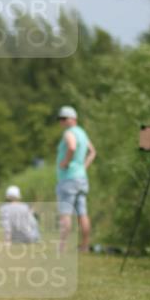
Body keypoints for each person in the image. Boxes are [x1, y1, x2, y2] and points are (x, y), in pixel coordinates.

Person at [56, 105, 96, 252]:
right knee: (82, 213)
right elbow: (92, 152)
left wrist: (66, 162)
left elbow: (72, 147)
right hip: (81, 178)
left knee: (66, 212)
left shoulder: (69, 133)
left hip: (68, 178)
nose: (61, 121)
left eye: (63, 118)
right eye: (60, 119)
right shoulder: (83, 133)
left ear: (72, 119)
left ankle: (62, 246)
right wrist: (83, 167)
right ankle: (84, 246)